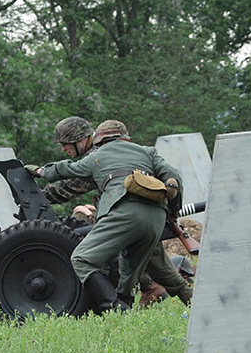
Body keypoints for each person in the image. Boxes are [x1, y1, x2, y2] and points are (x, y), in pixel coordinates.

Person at [34, 116, 194, 306]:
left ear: (85, 140)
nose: (63, 149)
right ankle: (193, 301)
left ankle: (116, 305)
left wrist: (39, 189)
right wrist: (172, 212)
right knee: (157, 265)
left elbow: (69, 184)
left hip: (123, 215)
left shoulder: (98, 155)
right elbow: (174, 178)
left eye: (66, 144)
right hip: (155, 215)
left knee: (83, 258)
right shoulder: (146, 152)